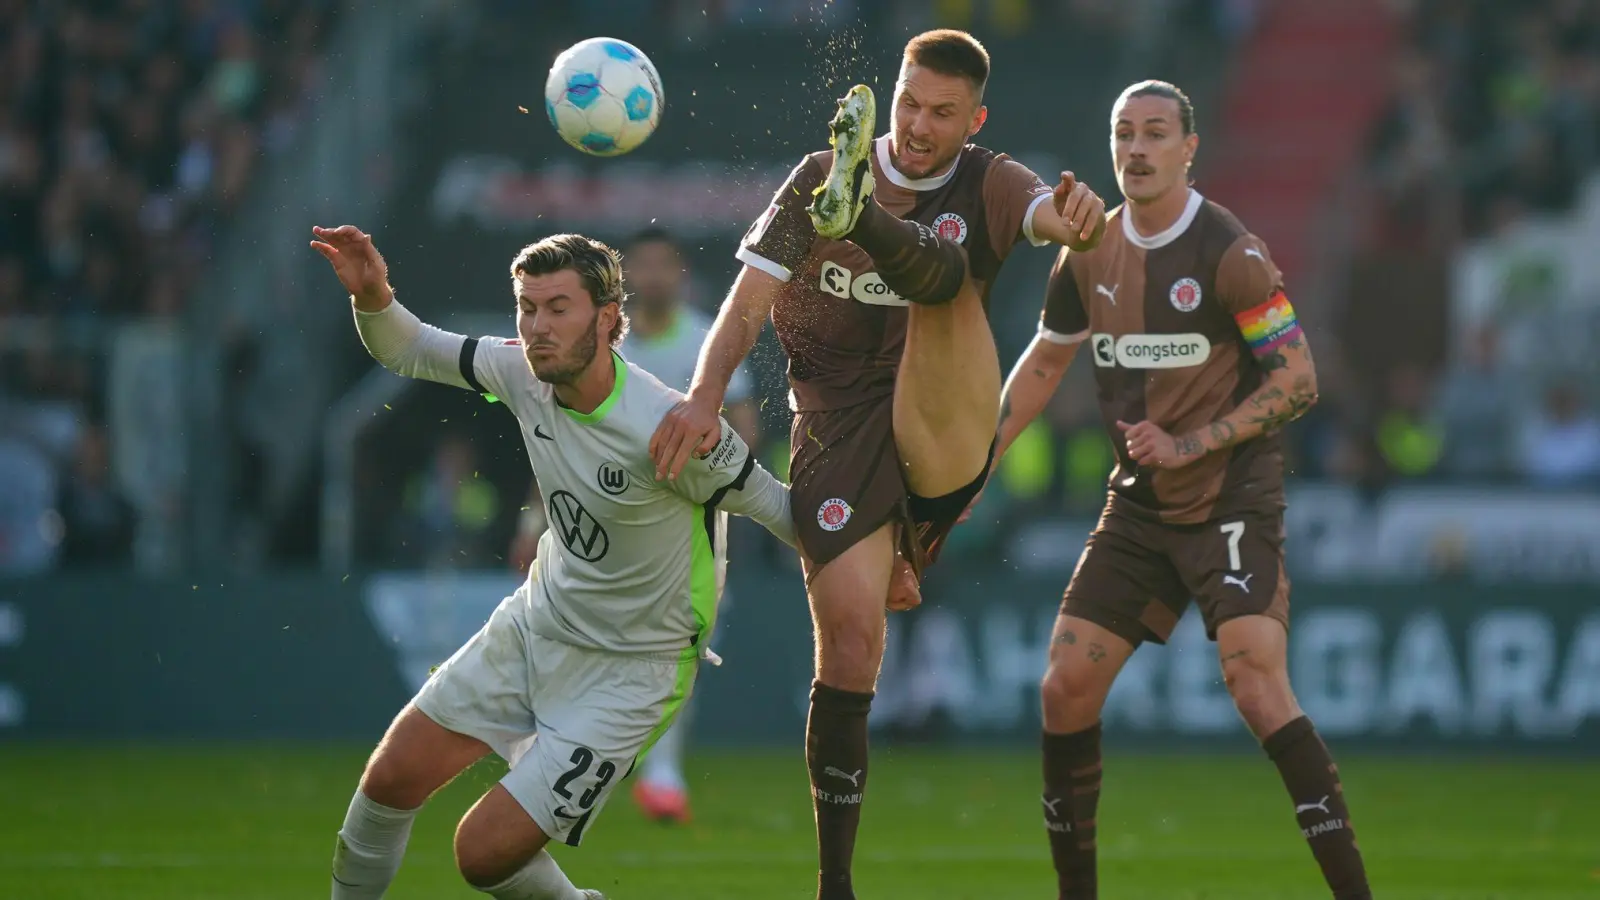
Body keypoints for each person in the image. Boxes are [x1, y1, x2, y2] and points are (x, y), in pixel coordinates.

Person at [648, 29, 1108, 900]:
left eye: (943, 113)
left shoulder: (990, 179)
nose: (921, 124)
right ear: (891, 93)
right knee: (853, 643)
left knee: (946, 277)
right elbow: (745, 308)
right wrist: (705, 397)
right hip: (834, 428)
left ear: (976, 119)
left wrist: (1075, 220)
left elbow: (1048, 213)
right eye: (908, 104)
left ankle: (862, 220)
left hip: (943, 411)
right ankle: (835, 883)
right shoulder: (811, 174)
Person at [309, 226, 829, 900]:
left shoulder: (668, 427)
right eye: (527, 307)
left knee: (482, 853)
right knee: (389, 781)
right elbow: (407, 348)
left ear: (608, 319)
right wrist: (374, 297)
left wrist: (886, 566)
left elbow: (781, 510)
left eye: (558, 308)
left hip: (631, 670)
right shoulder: (519, 373)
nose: (537, 327)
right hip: (537, 626)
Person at [983, 80, 1371, 900]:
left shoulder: (1230, 252)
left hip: (1230, 497)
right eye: (1124, 132)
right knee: (1062, 688)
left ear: (1189, 148)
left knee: (1255, 681)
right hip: (1140, 503)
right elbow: (1046, 363)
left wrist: (1191, 441)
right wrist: (974, 463)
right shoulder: (1086, 248)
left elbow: (1299, 380)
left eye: (1155, 133)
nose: (1136, 148)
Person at [508, 225, 763, 825]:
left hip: (686, 522)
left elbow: (746, 429)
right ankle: (560, 755)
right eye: (641, 266)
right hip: (599, 517)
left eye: (662, 265)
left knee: (684, 644)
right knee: (577, 635)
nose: (652, 276)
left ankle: (663, 773)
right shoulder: (598, 347)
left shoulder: (708, 341)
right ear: (623, 286)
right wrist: (530, 517)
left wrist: (715, 480)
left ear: (680, 275)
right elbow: (560, 434)